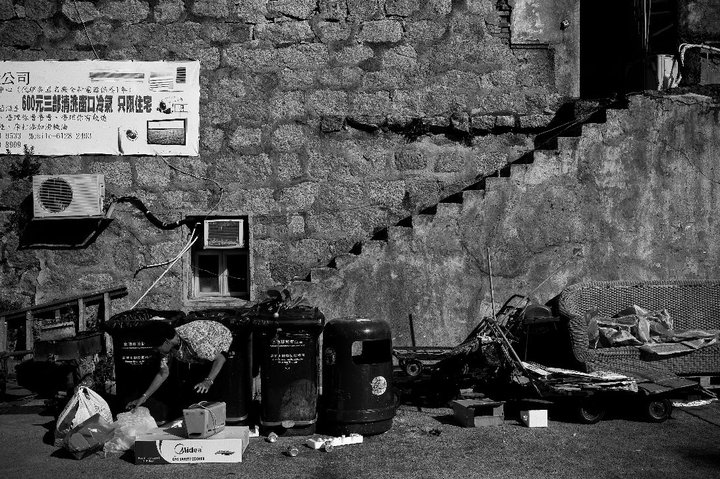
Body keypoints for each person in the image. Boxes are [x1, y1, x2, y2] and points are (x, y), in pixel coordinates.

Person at [126, 319, 233, 411]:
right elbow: (163, 373)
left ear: (166, 341)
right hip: (201, 354)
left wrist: (208, 381)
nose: (155, 351)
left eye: (156, 347)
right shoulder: (168, 348)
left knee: (214, 391)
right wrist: (144, 397)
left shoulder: (194, 341)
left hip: (220, 341)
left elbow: (220, 358)